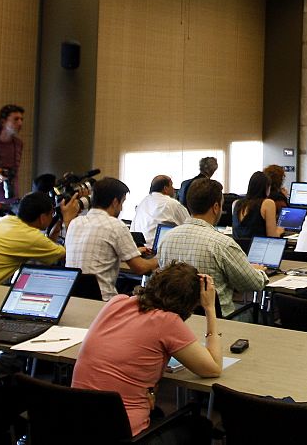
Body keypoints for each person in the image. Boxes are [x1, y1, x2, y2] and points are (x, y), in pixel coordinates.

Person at [72, 262, 219, 440]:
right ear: (189, 304)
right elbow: (212, 368)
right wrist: (210, 309)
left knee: (157, 412)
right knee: (200, 426)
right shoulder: (168, 321)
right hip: (123, 432)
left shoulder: (116, 302)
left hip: (78, 424)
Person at [158, 178, 267, 315]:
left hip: (178, 319)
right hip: (218, 321)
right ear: (216, 207)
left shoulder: (166, 239)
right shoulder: (222, 244)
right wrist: (259, 272)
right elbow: (254, 284)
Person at [65, 178, 158, 300]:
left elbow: (97, 257)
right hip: (103, 301)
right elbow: (140, 268)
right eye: (122, 203)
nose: (121, 209)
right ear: (115, 202)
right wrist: (159, 258)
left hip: (72, 297)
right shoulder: (116, 225)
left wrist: (132, 252)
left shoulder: (74, 223)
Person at [0, 191, 80, 284]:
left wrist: (55, 232)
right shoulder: (32, 237)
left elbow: (43, 247)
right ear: (43, 218)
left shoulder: (7, 220)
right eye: (51, 214)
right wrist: (68, 221)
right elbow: (67, 254)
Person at [130, 175, 189, 246]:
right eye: (172, 185)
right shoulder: (171, 203)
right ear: (165, 188)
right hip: (159, 250)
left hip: (141, 249)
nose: (174, 189)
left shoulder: (143, 202)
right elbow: (189, 225)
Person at [232, 171, 283, 239]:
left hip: (238, 248)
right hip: (257, 247)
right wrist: (279, 230)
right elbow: (272, 236)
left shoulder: (235, 203)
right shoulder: (268, 203)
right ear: (267, 188)